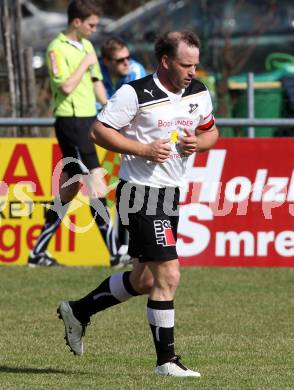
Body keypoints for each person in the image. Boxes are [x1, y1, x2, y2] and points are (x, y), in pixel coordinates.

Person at [57, 31, 219, 377]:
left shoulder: (198, 92)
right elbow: (99, 132)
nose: (193, 71)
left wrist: (198, 143)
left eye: (196, 64)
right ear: (165, 61)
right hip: (140, 192)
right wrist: (143, 149)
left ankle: (78, 310)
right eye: (186, 64)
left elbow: (211, 132)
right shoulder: (135, 93)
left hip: (171, 191)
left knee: (146, 279)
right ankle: (167, 362)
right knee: (169, 274)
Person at [27, 0, 129, 268]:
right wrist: (85, 63)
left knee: (68, 191)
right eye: (91, 24)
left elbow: (96, 83)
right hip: (70, 122)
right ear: (77, 22)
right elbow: (67, 87)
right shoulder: (56, 49)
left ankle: (37, 253)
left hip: (88, 121)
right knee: (96, 182)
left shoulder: (87, 47)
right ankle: (116, 251)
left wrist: (111, 111)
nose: (95, 29)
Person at [98, 37, 147, 247]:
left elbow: (131, 113)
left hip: (128, 138)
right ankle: (116, 248)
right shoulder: (97, 73)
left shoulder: (136, 72)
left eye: (128, 57)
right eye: (120, 60)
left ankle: (126, 246)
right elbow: (100, 114)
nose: (127, 63)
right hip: (103, 136)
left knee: (127, 190)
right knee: (99, 190)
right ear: (107, 61)